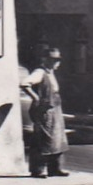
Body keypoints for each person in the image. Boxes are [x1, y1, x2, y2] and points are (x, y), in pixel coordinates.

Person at [21, 48, 69, 177]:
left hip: (55, 110)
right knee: (42, 139)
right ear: (45, 60)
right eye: (52, 60)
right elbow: (24, 84)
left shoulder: (51, 73)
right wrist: (36, 98)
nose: (56, 62)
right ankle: (38, 169)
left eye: (57, 60)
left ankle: (55, 168)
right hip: (44, 111)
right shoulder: (40, 72)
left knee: (58, 139)